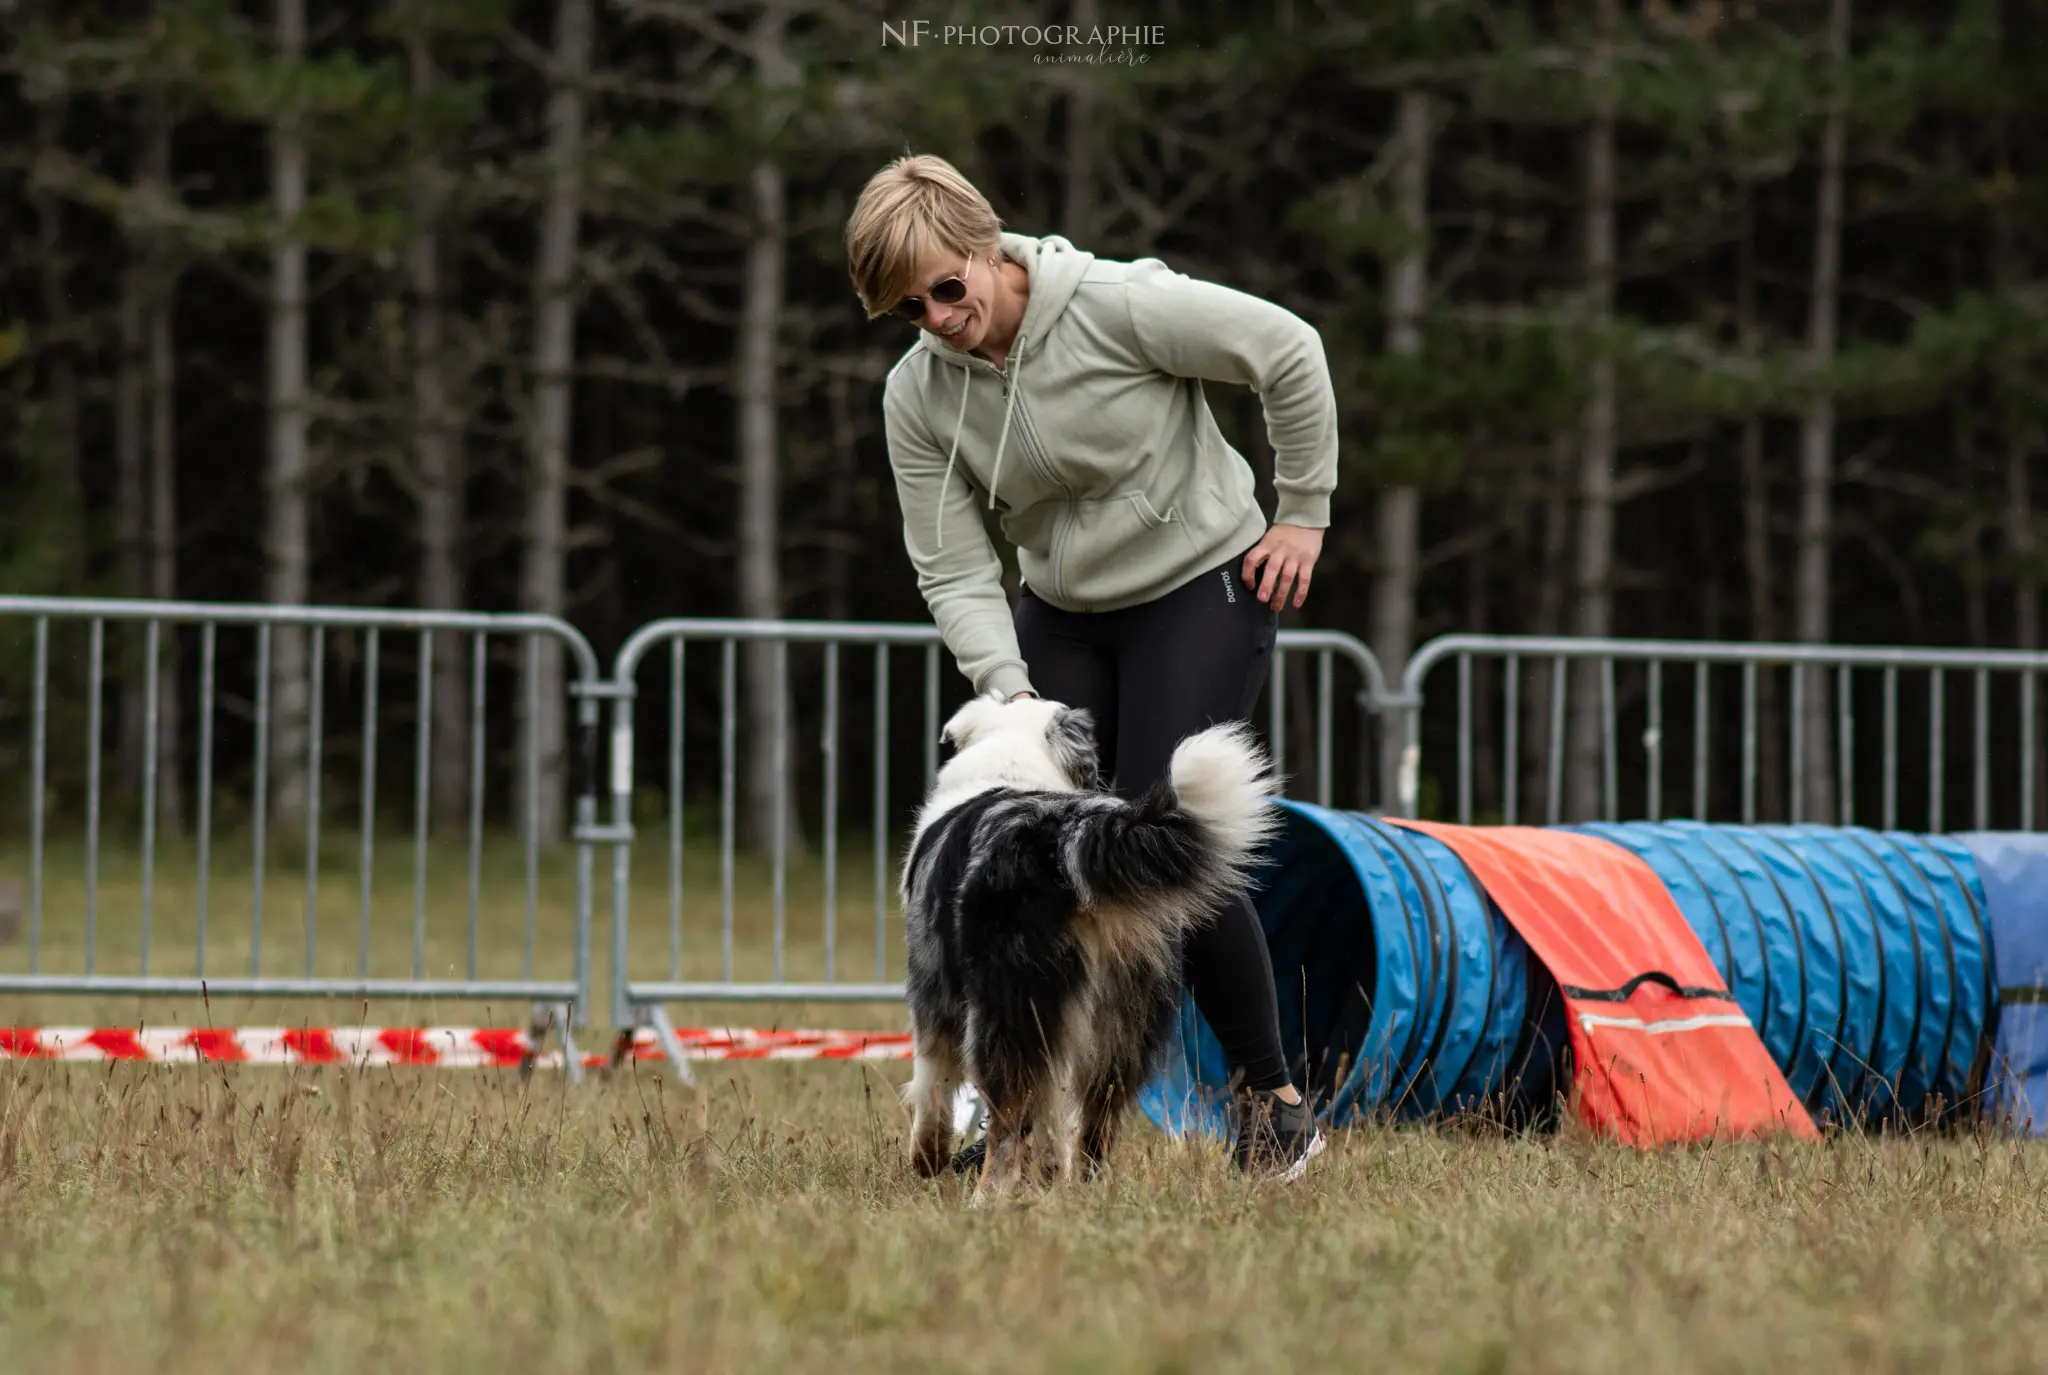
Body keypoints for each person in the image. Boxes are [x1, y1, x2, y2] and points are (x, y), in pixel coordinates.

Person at [845, 153, 1336, 1181]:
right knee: (1042, 866)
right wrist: (1007, 686)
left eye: (946, 287)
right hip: (1060, 616)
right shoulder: (917, 396)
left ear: (985, 246)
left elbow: (1286, 351)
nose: (936, 317)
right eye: (906, 309)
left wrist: (1301, 511)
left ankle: (1272, 1099)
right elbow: (950, 559)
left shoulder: (1118, 305)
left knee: (1159, 837)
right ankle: (1025, 1115)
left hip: (1197, 585)